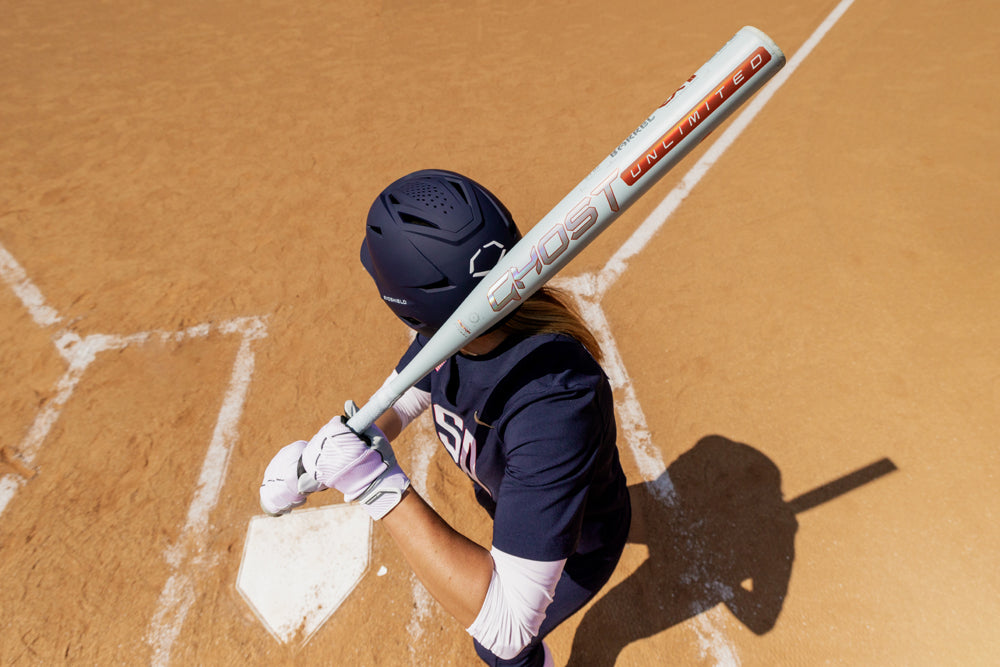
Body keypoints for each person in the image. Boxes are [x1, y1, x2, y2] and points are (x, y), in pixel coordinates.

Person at [259, 169, 631, 667]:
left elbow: (505, 623)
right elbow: (413, 389)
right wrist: (326, 457)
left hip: (582, 547)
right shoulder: (458, 331)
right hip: (519, 496)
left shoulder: (555, 408)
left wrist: (373, 483)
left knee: (500, 650)